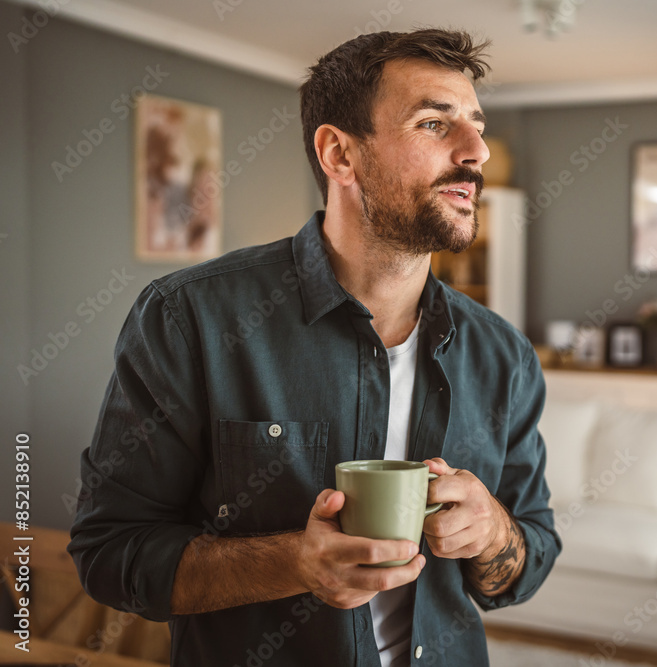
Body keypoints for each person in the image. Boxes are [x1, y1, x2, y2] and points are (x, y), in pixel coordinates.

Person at [69, 28, 559, 666]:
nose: (477, 151)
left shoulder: (505, 357)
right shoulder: (191, 318)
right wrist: (292, 564)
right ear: (339, 153)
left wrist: (495, 532)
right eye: (434, 124)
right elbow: (111, 555)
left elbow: (528, 565)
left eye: (475, 123)